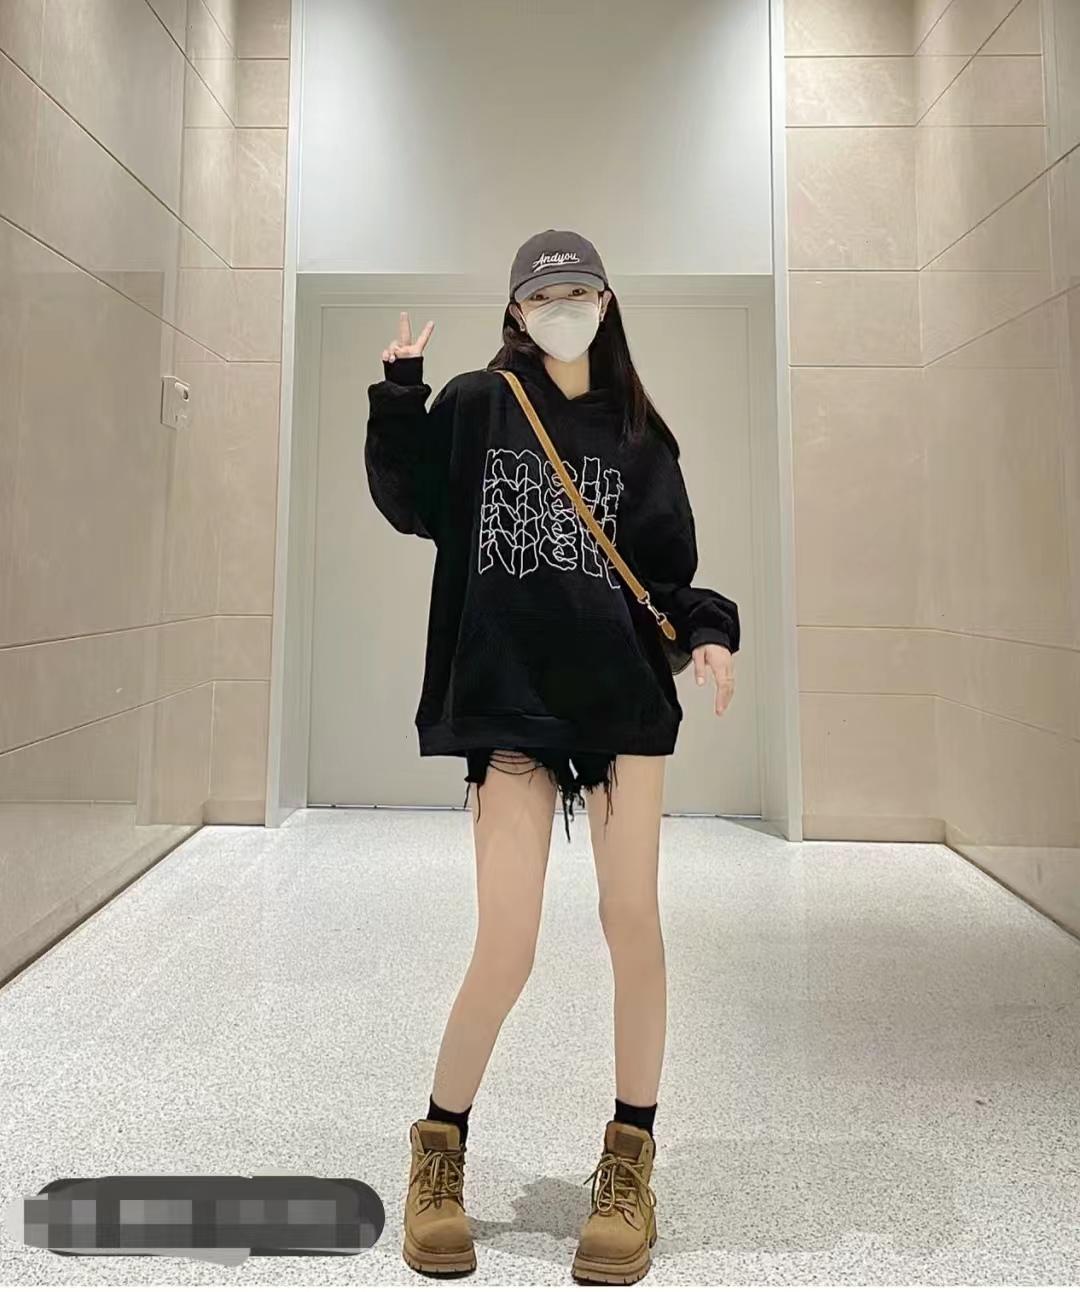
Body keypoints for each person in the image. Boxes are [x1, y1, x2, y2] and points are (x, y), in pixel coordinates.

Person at [365, 229, 739, 1284]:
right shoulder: (480, 404)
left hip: (620, 699)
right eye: (545, 293)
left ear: (606, 304)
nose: (564, 306)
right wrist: (399, 396)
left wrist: (710, 632)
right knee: (507, 942)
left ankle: (629, 1161)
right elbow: (410, 504)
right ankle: (438, 1149)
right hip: (509, 698)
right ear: (517, 311)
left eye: (580, 290)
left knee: (634, 924)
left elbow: (668, 570)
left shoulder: (638, 433)